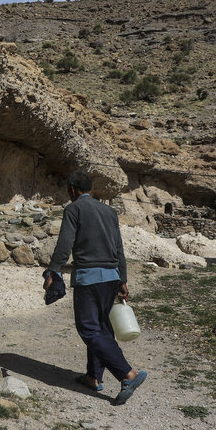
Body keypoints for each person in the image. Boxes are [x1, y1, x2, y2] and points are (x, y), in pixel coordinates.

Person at [45, 170, 147, 404]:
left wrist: (53, 270)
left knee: (90, 329)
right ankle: (94, 377)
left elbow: (65, 243)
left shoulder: (74, 209)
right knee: (102, 327)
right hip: (111, 278)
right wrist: (122, 279)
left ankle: (127, 374)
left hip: (88, 278)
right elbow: (119, 248)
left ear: (72, 189)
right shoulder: (109, 211)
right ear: (90, 189)